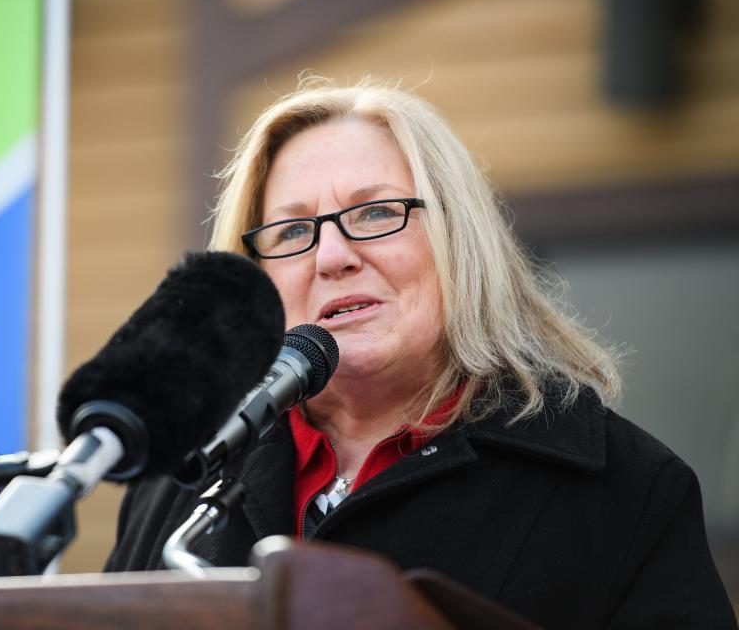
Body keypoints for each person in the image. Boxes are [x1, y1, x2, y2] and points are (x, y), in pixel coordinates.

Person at [104, 78, 736, 628]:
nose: (331, 257)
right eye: (293, 230)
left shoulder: (627, 490)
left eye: (376, 213)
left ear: (460, 244)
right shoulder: (181, 474)